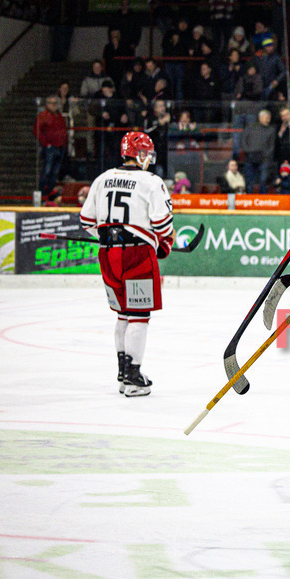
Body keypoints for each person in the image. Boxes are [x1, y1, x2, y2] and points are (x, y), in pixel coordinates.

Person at [79, 131, 174, 397]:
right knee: (139, 315)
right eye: (147, 153)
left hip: (107, 254)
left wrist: (112, 236)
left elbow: (87, 221)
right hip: (137, 255)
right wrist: (161, 241)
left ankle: (123, 375)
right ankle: (134, 378)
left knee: (123, 314)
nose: (149, 159)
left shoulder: (102, 179)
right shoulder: (151, 181)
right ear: (139, 154)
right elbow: (163, 224)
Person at [33, 95, 68, 201]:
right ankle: (43, 194)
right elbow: (37, 131)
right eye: (52, 103)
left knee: (54, 172)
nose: (54, 106)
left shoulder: (59, 116)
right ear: (47, 104)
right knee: (47, 171)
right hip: (50, 147)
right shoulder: (43, 116)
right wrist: (46, 143)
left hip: (60, 146)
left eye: (55, 103)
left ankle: (50, 193)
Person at [239, 109, 276, 193]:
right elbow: (243, 140)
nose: (268, 119)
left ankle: (262, 198)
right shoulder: (250, 128)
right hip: (250, 158)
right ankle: (249, 198)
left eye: (269, 117)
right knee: (249, 181)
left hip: (263, 160)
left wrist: (265, 155)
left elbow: (271, 146)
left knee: (263, 180)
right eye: (266, 117)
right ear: (260, 117)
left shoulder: (271, 130)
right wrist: (247, 151)